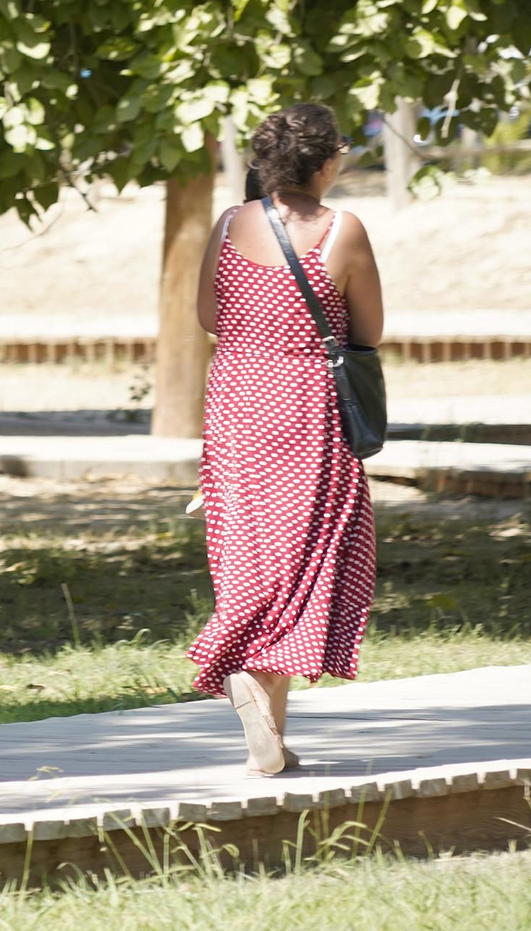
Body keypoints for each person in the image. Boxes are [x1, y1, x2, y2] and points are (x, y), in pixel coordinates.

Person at [189, 102, 383, 776]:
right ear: (327, 163)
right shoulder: (344, 232)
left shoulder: (228, 224)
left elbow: (210, 314)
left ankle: (266, 734)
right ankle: (243, 671)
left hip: (238, 404)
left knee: (253, 555)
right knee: (309, 557)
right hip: (310, 409)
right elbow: (370, 330)